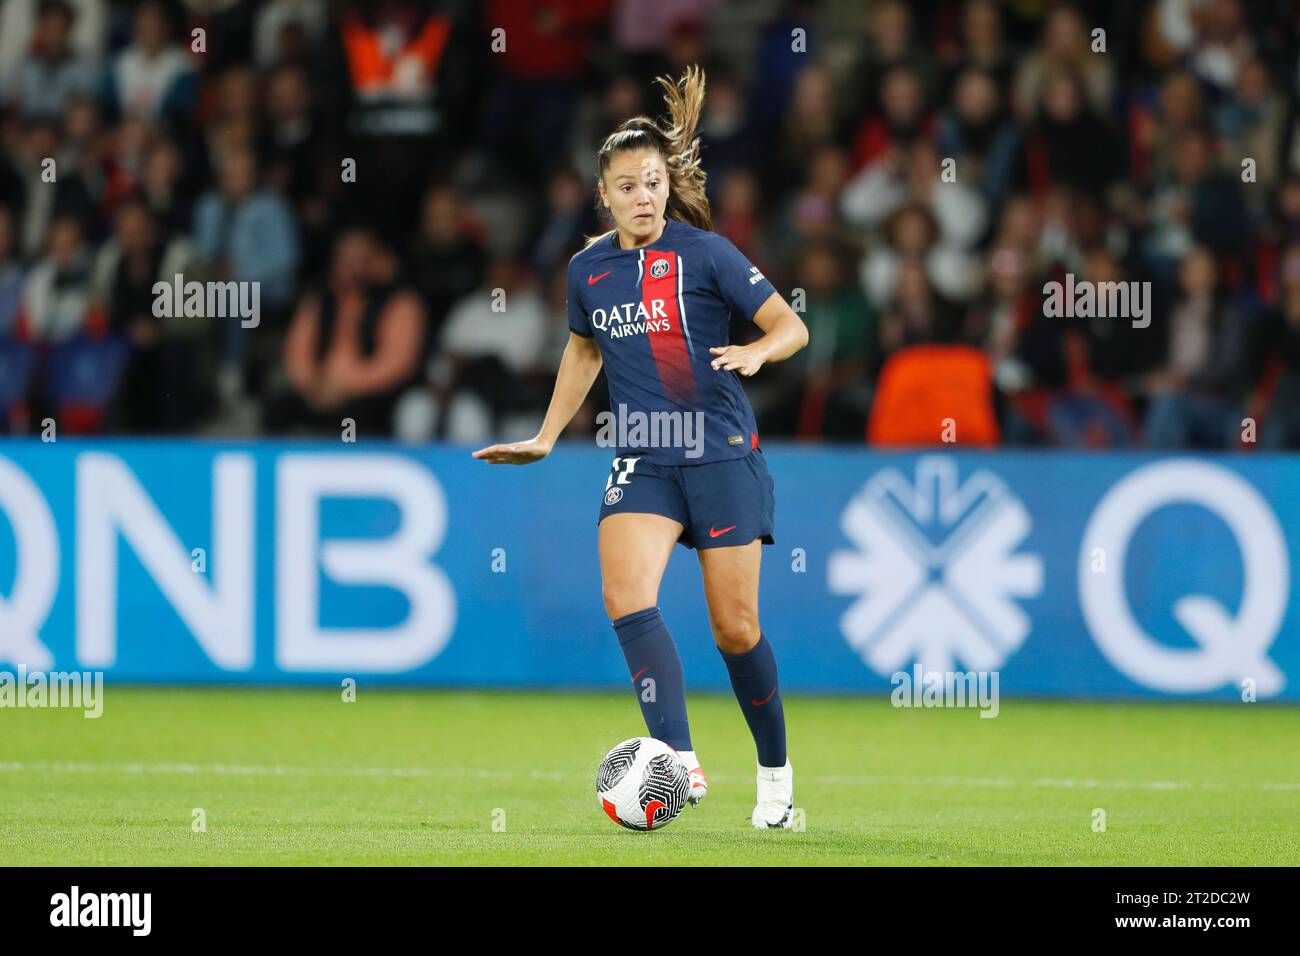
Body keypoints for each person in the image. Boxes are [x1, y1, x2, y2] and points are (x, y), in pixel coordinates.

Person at [472, 66, 810, 829]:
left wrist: (759, 353)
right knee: (626, 597)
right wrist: (546, 437)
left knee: (736, 629)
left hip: (720, 450)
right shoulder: (588, 269)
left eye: (653, 182)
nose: (643, 196)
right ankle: (677, 759)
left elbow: (792, 325)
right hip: (644, 455)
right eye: (627, 186)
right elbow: (584, 353)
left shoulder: (710, 253)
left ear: (666, 184)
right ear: (606, 195)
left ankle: (775, 776)